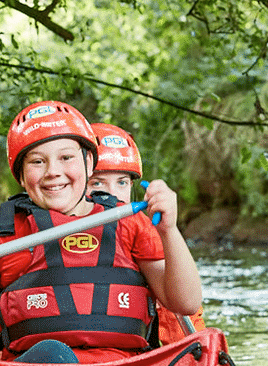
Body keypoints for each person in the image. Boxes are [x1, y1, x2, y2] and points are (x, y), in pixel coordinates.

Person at [0, 101, 202, 364]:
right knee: (54, 354)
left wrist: (168, 230)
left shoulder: (131, 223)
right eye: (37, 161)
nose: (53, 172)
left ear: (88, 162)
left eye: (66, 158)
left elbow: (186, 303)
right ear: (20, 175)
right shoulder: (5, 233)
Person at [88, 122, 206, 343]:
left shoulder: (139, 229)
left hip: (132, 361)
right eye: (97, 183)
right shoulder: (39, 224)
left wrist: (168, 230)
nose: (113, 195)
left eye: (122, 182)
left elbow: (187, 305)